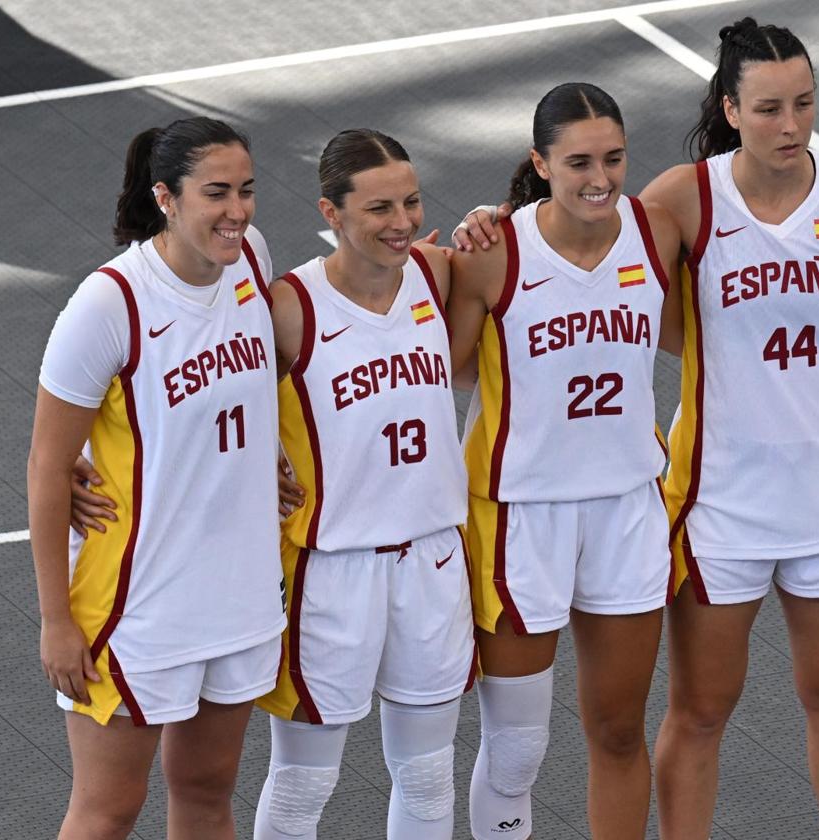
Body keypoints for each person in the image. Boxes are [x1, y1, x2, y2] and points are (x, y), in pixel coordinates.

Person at [457, 19, 819, 840]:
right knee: (699, 712)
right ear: (730, 108)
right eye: (767, 108)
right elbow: (584, 234)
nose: (789, 125)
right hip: (718, 499)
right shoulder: (684, 198)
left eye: (803, 104)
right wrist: (497, 217)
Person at [28, 116, 285, 840]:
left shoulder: (252, 260)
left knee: (208, 792)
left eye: (246, 190)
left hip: (236, 590)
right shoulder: (110, 303)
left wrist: (265, 452)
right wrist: (55, 621)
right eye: (216, 193)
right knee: (109, 811)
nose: (237, 211)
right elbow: (50, 465)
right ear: (166, 197)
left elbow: (247, 380)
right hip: (139, 601)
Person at [448, 82, 681, 840]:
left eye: (614, 159)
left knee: (619, 734)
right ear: (539, 163)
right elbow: (433, 372)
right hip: (521, 514)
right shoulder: (492, 254)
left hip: (626, 510)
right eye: (578, 161)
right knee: (517, 750)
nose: (600, 179)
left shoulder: (656, 232)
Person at [252, 129, 475, 840]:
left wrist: (486, 221)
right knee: (301, 787)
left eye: (411, 203)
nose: (402, 222)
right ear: (332, 212)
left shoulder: (436, 275)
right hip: (332, 569)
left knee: (429, 775)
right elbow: (207, 393)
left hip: (434, 556)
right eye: (379, 208)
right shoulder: (291, 306)